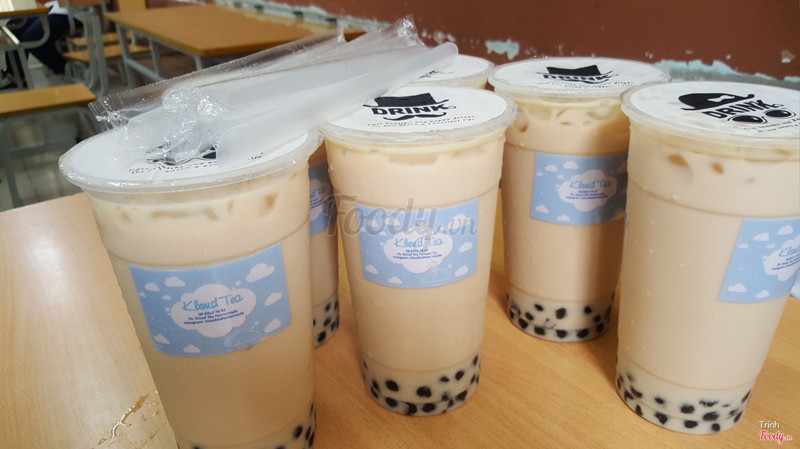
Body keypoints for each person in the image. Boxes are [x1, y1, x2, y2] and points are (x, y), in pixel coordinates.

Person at [1, 0, 71, 89]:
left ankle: (66, 69)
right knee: (14, 25)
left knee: (32, 37)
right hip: (52, 7)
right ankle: (15, 77)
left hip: (71, 11)